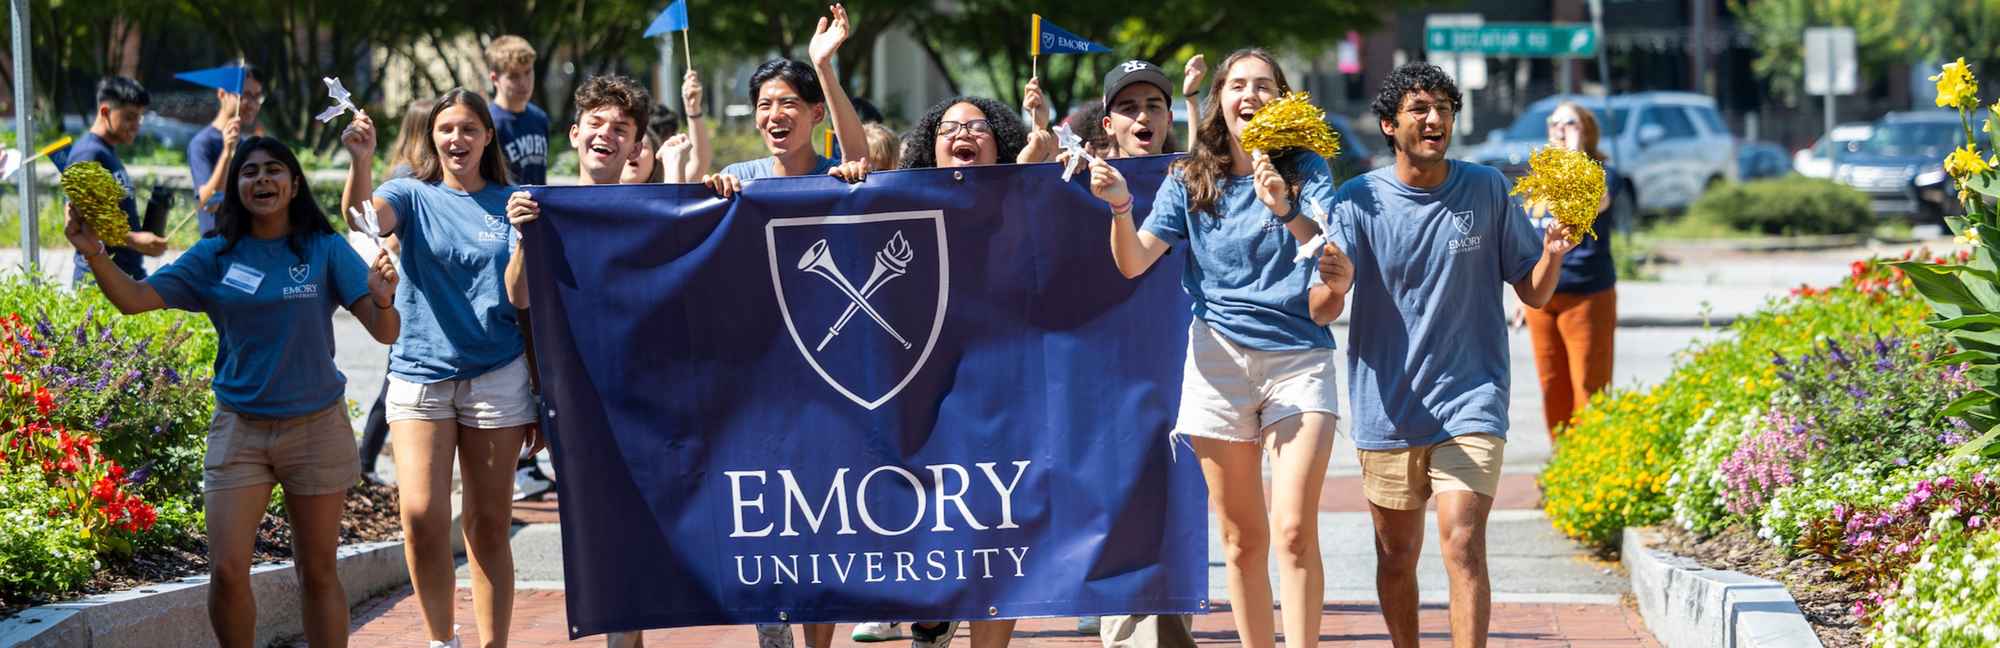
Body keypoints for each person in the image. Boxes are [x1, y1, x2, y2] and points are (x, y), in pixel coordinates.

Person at [67, 136, 400, 648]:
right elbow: (134, 299)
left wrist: (383, 299)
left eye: (273, 171)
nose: (261, 180)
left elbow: (385, 331)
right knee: (225, 571)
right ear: (235, 185)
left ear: (293, 184)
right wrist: (94, 253)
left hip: (316, 427)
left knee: (317, 572)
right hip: (239, 429)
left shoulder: (324, 247)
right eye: (249, 172)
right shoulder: (214, 256)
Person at [1071, 48, 1347, 648]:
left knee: (1294, 529)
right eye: (1238, 85)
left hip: (1298, 360)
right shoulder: (1191, 176)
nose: (1250, 95)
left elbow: (1332, 263)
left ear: (1283, 97)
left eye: (1264, 86)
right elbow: (1134, 261)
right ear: (1219, 99)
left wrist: (1287, 209)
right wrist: (1120, 204)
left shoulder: (1310, 170)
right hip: (1217, 363)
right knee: (1242, 540)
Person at [1336, 62, 1574, 648]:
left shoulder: (1488, 188)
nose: (1434, 117)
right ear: (1390, 125)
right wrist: (1323, 273)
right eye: (1419, 108)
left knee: (1463, 542)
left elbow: (1535, 293)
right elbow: (1324, 300)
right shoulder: (1358, 199)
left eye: (1443, 107)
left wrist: (1553, 251)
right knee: (1396, 558)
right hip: (1387, 407)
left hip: (1471, 397)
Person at [340, 88, 541, 648]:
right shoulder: (410, 193)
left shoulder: (512, 201)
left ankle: (493, 643)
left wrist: (524, 237)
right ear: (432, 136)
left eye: (469, 129)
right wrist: (361, 160)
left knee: (487, 527)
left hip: (497, 377)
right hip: (419, 372)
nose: (458, 139)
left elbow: (520, 298)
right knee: (423, 516)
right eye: (447, 129)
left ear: (487, 137)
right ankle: (440, 641)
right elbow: (362, 222)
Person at [498, 73, 653, 648]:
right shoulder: (539, 209)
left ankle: (626, 639)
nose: (606, 135)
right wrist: (522, 239)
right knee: (598, 529)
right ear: (574, 133)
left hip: (644, 399)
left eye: (622, 128)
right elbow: (517, 296)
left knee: (637, 528)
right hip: (577, 400)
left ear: (637, 146)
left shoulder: (654, 209)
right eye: (596, 124)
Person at [1061, 59, 1202, 648]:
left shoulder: (1197, 179)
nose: (1143, 116)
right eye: (1129, 107)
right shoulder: (1074, 180)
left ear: (1168, 117)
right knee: (1121, 504)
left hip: (1187, 369)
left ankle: (1168, 633)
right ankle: (1127, 634)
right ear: (1109, 120)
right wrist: (1047, 169)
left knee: (1177, 507)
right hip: (1107, 373)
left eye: (1154, 106)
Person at [700, 4, 868, 199]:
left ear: (818, 113)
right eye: (764, 105)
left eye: (788, 104)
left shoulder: (836, 177)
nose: (775, 115)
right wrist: (716, 193)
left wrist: (823, 66)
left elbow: (859, 160)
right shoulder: (739, 180)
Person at [1523, 101, 1617, 438]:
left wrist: (1575, 153)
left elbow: (1590, 205)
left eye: (1571, 124)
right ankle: (1563, 468)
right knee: (1552, 388)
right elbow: (1531, 239)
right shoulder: (1538, 178)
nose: (1560, 129)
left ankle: (1591, 468)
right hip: (1544, 297)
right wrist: (1525, 291)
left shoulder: (1601, 173)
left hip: (1586, 294)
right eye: (1554, 123)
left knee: (1589, 388)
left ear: (1588, 131)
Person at [356, 98, 434, 484]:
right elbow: (372, 222)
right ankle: (365, 459)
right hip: (402, 283)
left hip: (406, 280)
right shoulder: (408, 173)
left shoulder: (417, 167)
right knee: (394, 378)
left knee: (393, 378)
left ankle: (365, 459)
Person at [63, 76, 167, 283]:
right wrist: (136, 240)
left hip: (124, 276)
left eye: (140, 117)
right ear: (105, 112)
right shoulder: (88, 154)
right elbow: (82, 221)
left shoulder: (106, 151)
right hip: (99, 280)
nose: (136, 125)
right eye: (129, 117)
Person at [188, 65, 265, 236]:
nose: (252, 104)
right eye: (245, 95)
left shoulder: (246, 144)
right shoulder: (203, 143)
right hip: (217, 246)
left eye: (257, 97)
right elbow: (209, 203)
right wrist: (227, 152)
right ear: (222, 94)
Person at [487, 35, 550, 185]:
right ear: (495, 79)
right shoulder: (489, 123)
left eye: (528, 72)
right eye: (513, 76)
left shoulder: (540, 118)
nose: (523, 82)